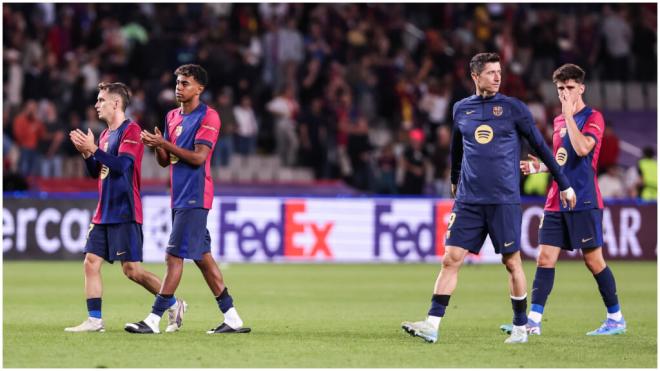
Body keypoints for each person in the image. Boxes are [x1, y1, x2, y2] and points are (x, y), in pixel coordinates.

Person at [401, 53, 576, 344]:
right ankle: (432, 324)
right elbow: (457, 150)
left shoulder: (513, 109)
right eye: (491, 72)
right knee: (450, 259)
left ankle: (520, 327)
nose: (497, 77)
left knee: (511, 262)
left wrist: (564, 183)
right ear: (475, 76)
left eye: (499, 72)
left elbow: (542, 147)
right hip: (469, 200)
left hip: (503, 200)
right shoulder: (461, 109)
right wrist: (455, 179)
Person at [501, 63, 626, 336]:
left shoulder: (593, 117)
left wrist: (569, 115)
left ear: (581, 88)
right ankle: (533, 320)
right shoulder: (558, 121)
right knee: (545, 258)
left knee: (593, 261)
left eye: (570, 88)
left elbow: (582, 148)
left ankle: (615, 317)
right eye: (560, 89)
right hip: (556, 199)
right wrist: (542, 167)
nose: (565, 93)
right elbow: (563, 161)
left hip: (584, 199)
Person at [126, 64, 250, 335]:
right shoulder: (171, 116)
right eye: (178, 83)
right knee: (203, 258)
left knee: (173, 256)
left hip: (196, 195)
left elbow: (198, 157)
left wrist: (165, 144)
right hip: (179, 195)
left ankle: (153, 319)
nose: (179, 88)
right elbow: (166, 161)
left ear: (199, 89)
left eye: (185, 84)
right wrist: (158, 145)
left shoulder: (209, 117)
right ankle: (233, 318)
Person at [65, 82, 177, 333]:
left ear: (116, 103)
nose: (96, 105)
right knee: (90, 262)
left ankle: (173, 302)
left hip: (125, 210)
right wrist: (86, 154)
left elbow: (122, 166)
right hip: (103, 210)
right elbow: (99, 171)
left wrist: (93, 149)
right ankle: (95, 320)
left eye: (101, 100)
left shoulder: (132, 130)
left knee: (132, 271)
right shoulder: (104, 135)